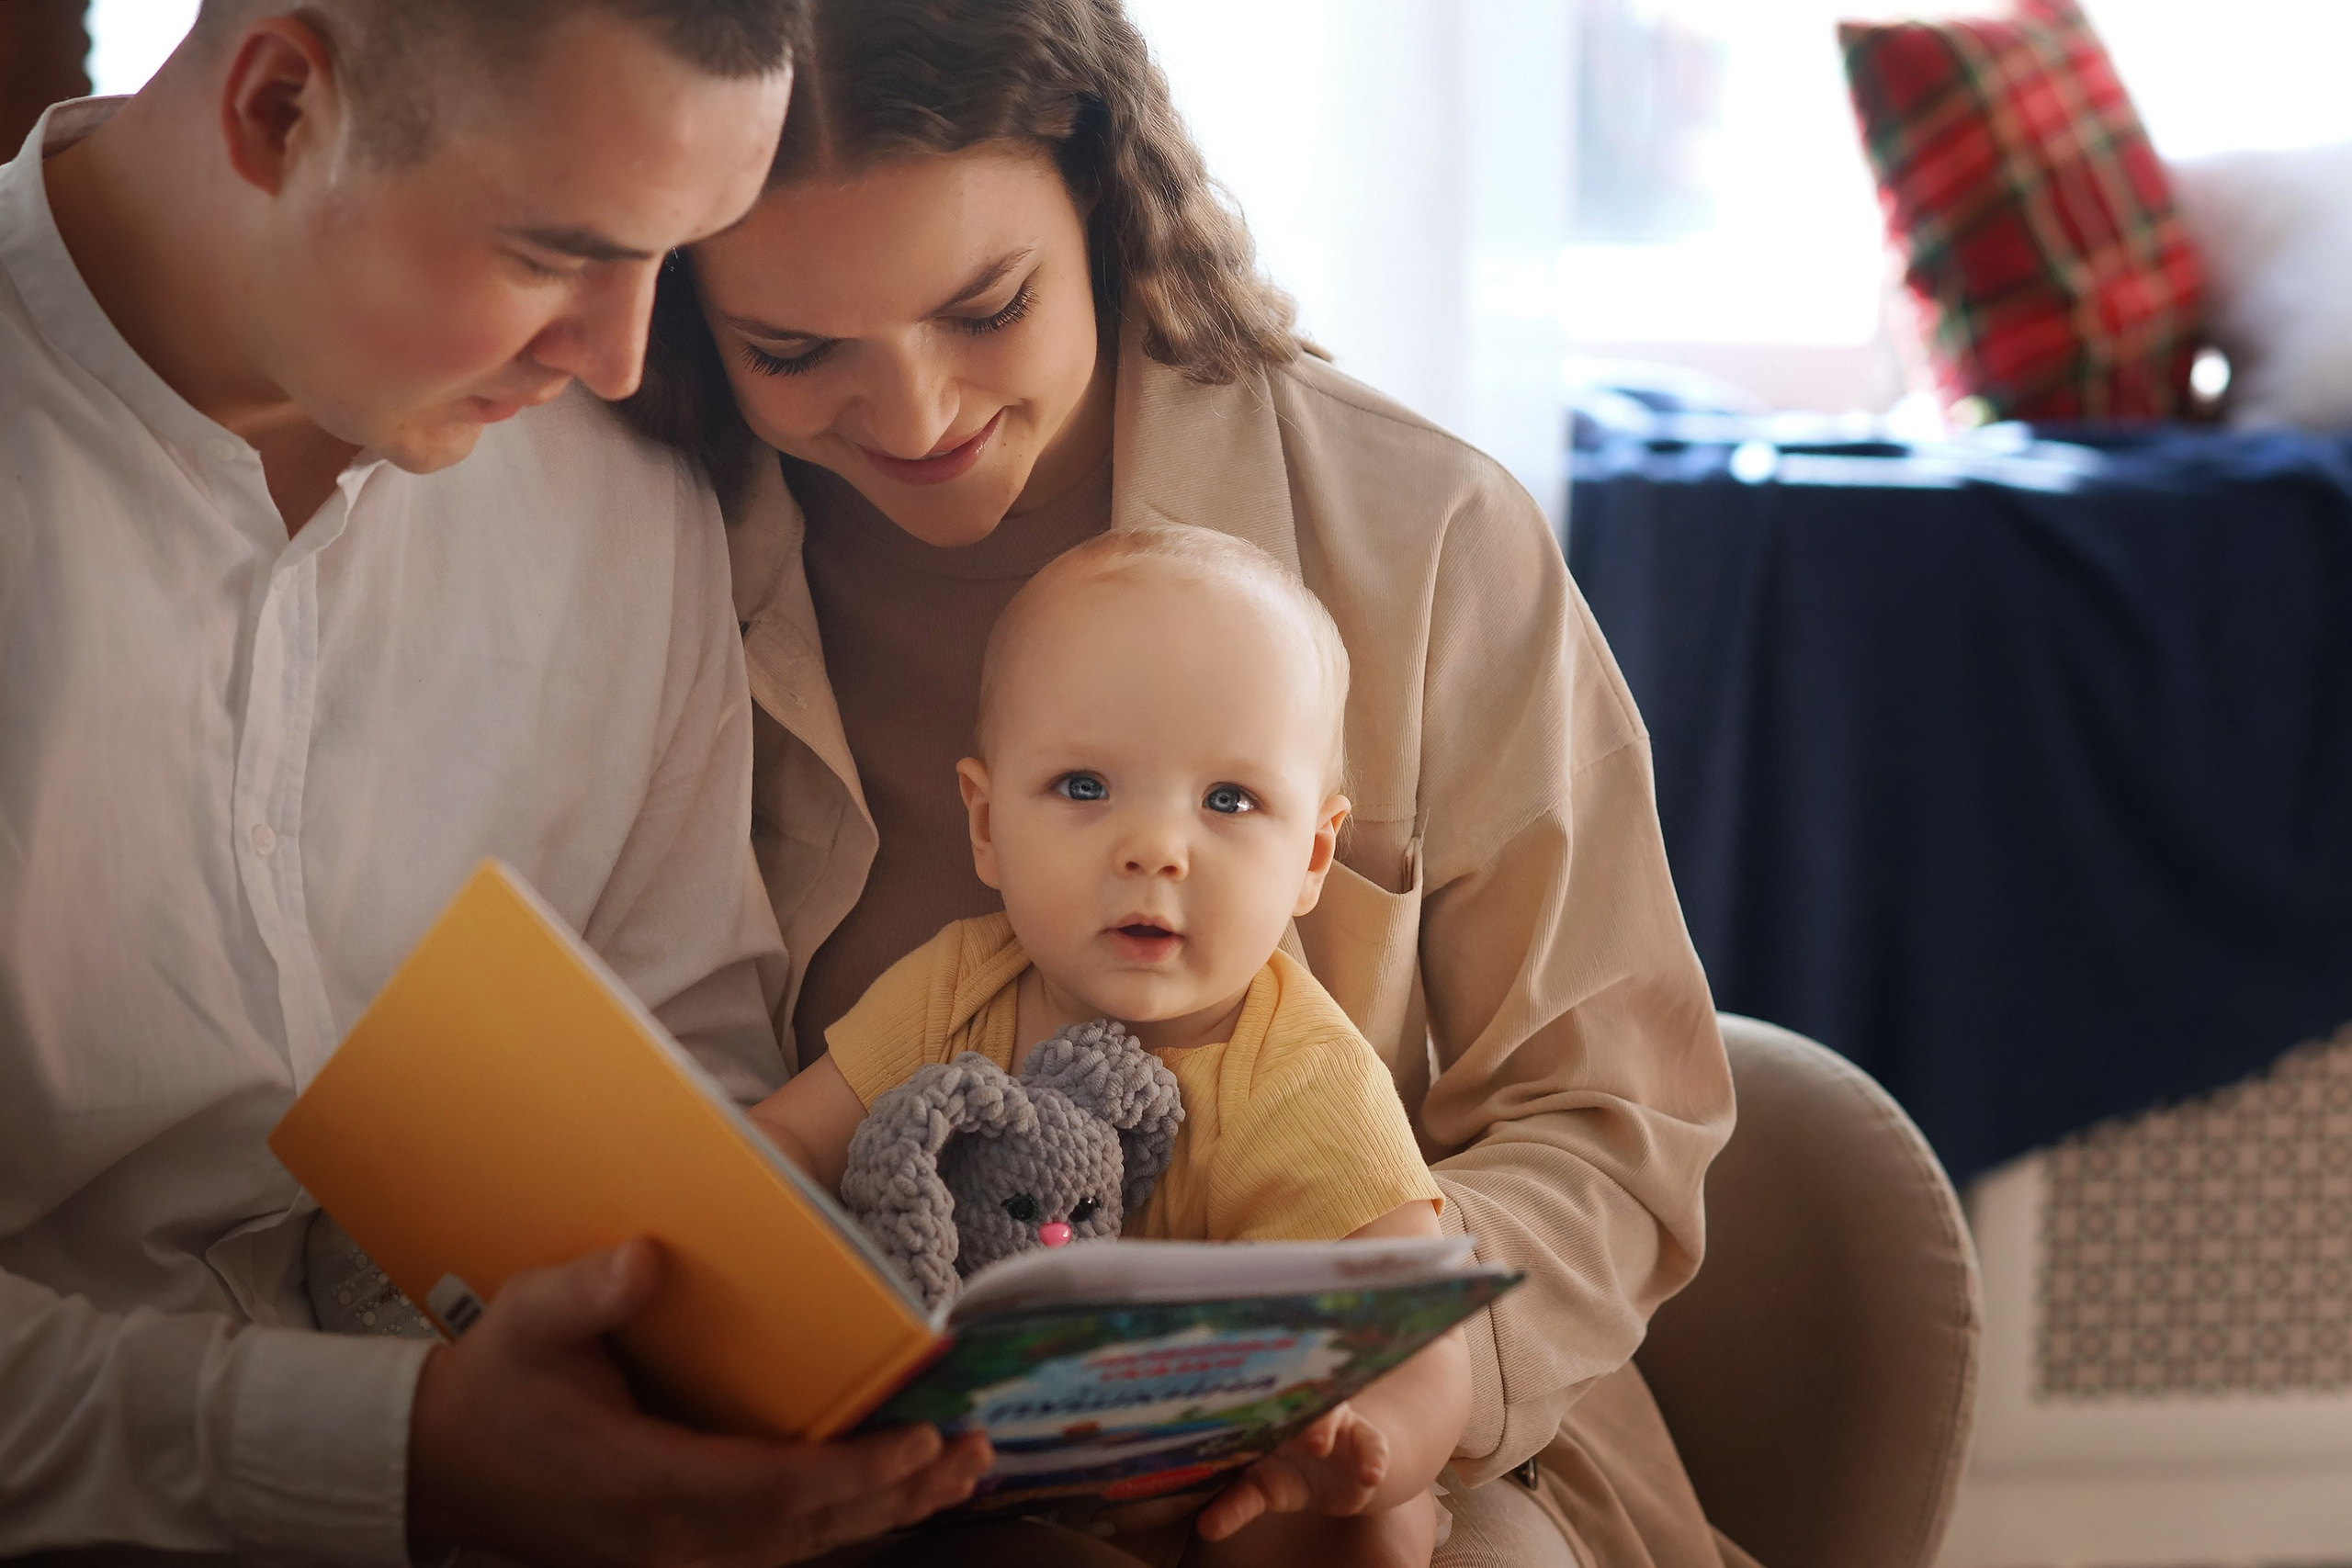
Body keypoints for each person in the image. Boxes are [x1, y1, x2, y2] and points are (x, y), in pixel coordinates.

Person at [622, 1, 1751, 1563]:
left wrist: (1394, 1391)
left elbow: (1612, 1110)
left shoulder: (1426, 540)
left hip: (1398, 1464)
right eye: (795, 352)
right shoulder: (636, 550)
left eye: (986, 308)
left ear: (1098, 197)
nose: (916, 414)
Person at [0, 2, 990, 1562]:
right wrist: (395, 1456)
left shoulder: (632, 498)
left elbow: (681, 1074)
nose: (618, 356)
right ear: (276, 108)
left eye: (674, 259)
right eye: (554, 252)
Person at [754, 526, 1463, 1567]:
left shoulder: (1303, 1070)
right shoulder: (957, 984)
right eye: (1085, 787)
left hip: (1208, 1493)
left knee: (1349, 1518)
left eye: (1229, 801)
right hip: (961, 1462)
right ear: (987, 824)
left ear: (1311, 855)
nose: (1154, 850)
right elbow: (787, 1141)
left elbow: (1421, 1335)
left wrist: (1373, 1444)